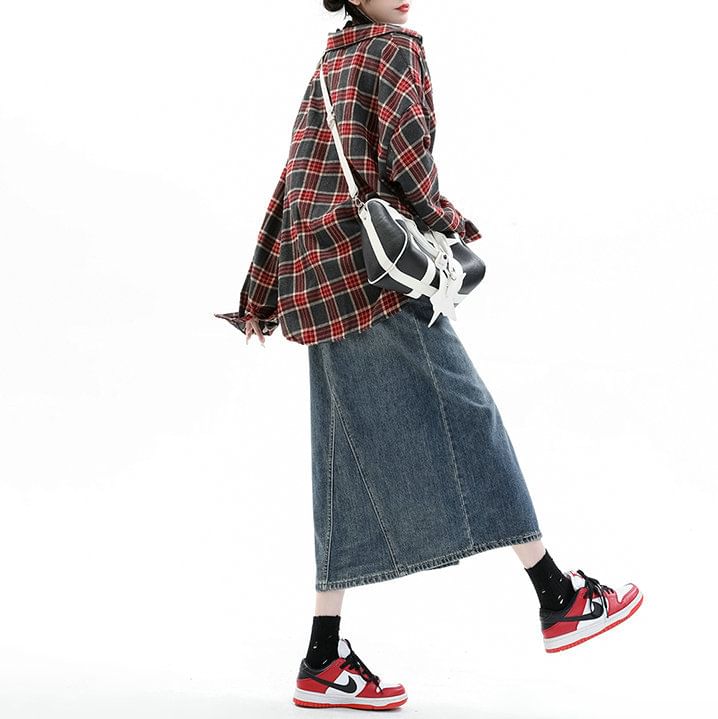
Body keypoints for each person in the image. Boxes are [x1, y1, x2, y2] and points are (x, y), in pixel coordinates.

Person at [215, 0, 643, 711]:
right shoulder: (394, 49)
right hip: (376, 280)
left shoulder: (330, 61)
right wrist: (451, 229)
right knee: (470, 418)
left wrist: (263, 290)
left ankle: (323, 656)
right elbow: (411, 167)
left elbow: (294, 181)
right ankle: (558, 596)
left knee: (341, 461)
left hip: (317, 281)